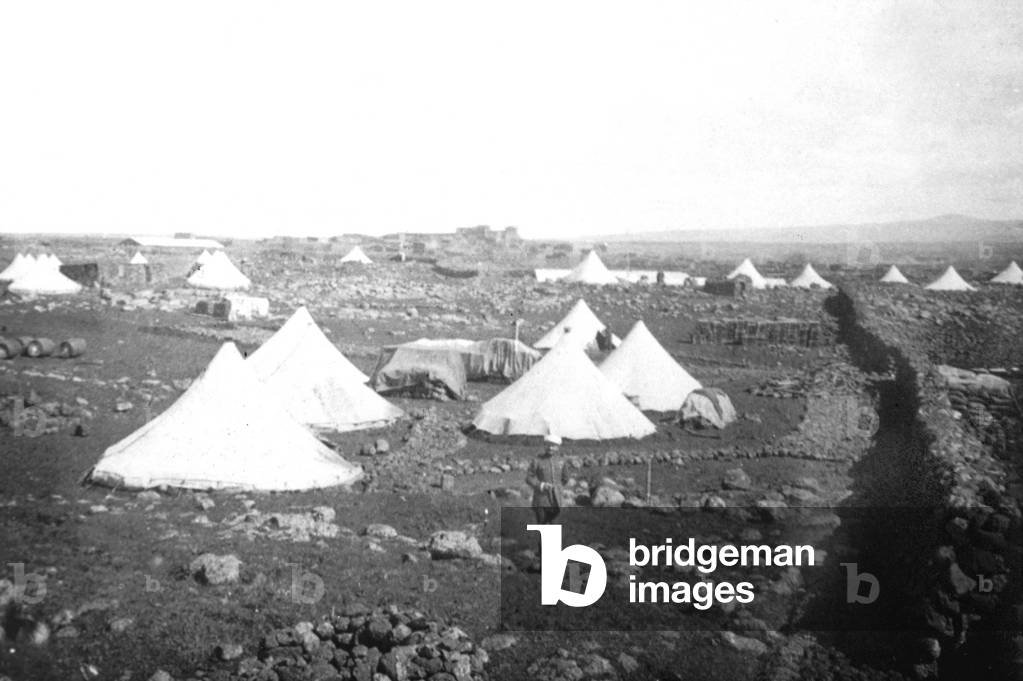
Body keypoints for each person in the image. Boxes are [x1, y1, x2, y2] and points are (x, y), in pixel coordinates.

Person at [526, 434, 570, 524]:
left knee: (554, 523)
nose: (550, 448)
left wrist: (558, 488)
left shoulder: (562, 461)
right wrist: (542, 485)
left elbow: (566, 478)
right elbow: (529, 477)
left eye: (553, 445)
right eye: (548, 445)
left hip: (557, 499)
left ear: (558, 447)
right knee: (542, 523)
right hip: (541, 499)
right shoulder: (537, 460)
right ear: (545, 445)